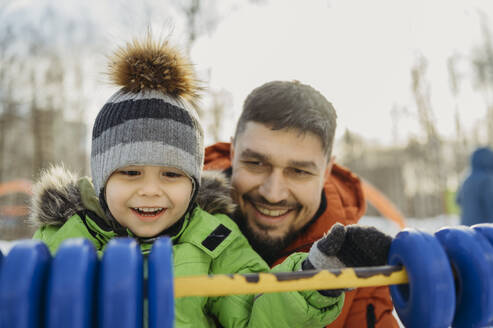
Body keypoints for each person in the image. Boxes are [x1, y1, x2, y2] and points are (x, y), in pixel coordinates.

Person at [29, 35, 347, 327]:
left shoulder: (215, 240)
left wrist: (308, 282)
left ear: (193, 183)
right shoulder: (62, 238)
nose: (151, 190)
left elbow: (257, 311)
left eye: (171, 174)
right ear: (101, 179)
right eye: (130, 172)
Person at [204, 80, 399, 328]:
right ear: (233, 153)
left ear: (327, 171)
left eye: (298, 171)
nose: (273, 194)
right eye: (256, 163)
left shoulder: (353, 263)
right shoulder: (167, 218)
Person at [457, 146, 493, 226]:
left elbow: (458, 200)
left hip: (467, 231)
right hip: (484, 231)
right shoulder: (487, 179)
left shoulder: (466, 179)